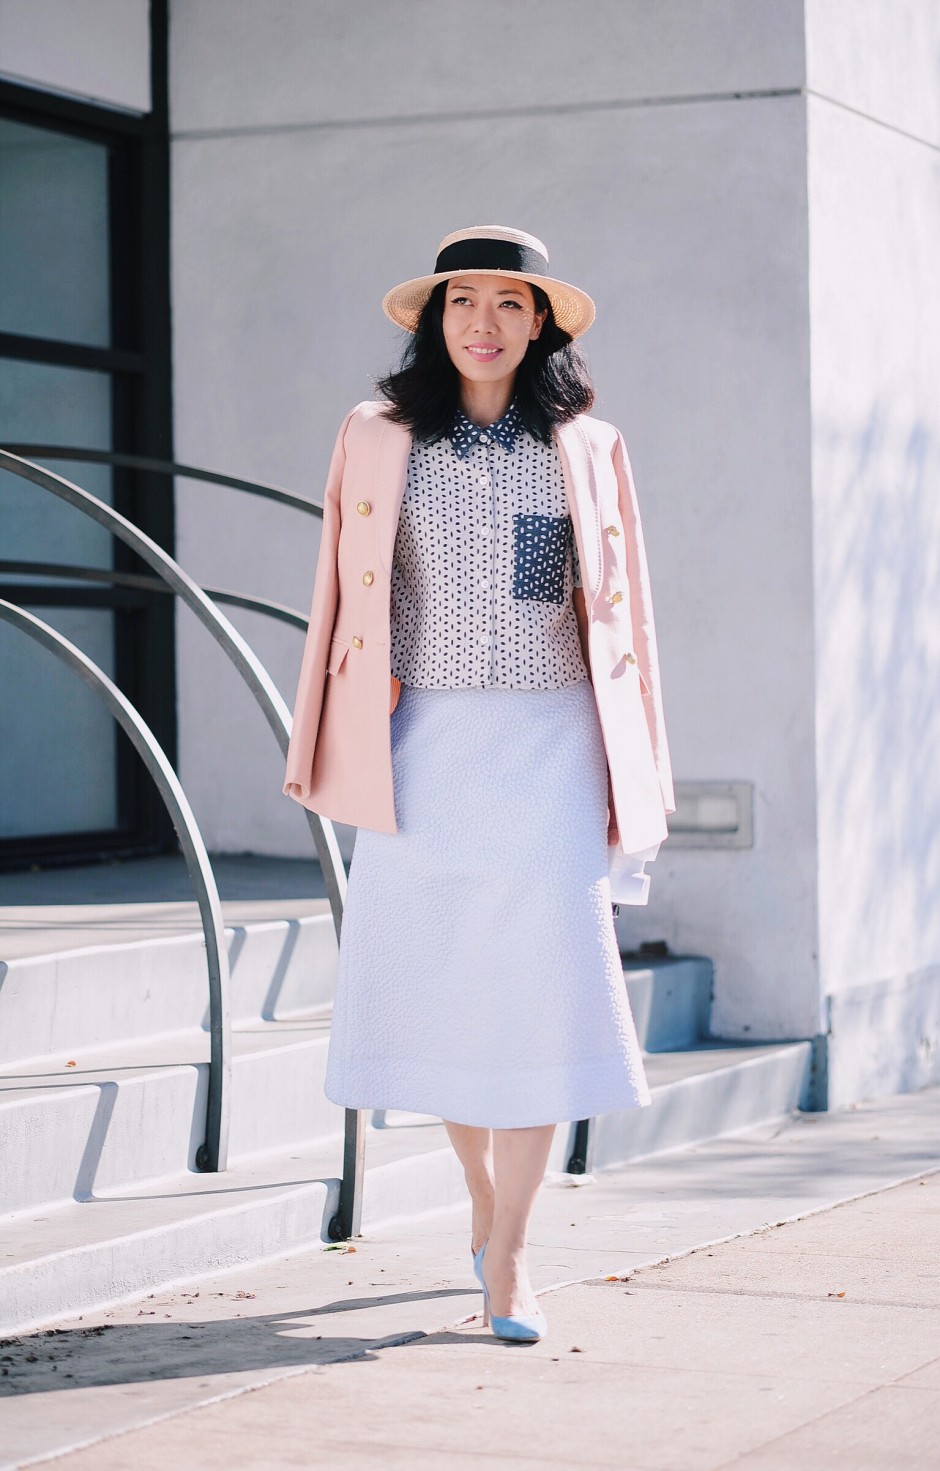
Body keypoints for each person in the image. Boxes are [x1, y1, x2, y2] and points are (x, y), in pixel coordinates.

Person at [284, 225, 675, 1343]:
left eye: (511, 303)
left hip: (554, 741)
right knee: (449, 981)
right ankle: (478, 1201)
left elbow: (624, 614)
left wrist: (633, 759)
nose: (484, 323)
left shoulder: (589, 446)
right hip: (425, 746)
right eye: (464, 300)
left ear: (542, 322)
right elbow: (339, 597)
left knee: (548, 979)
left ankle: (508, 1256)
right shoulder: (375, 436)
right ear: (433, 318)